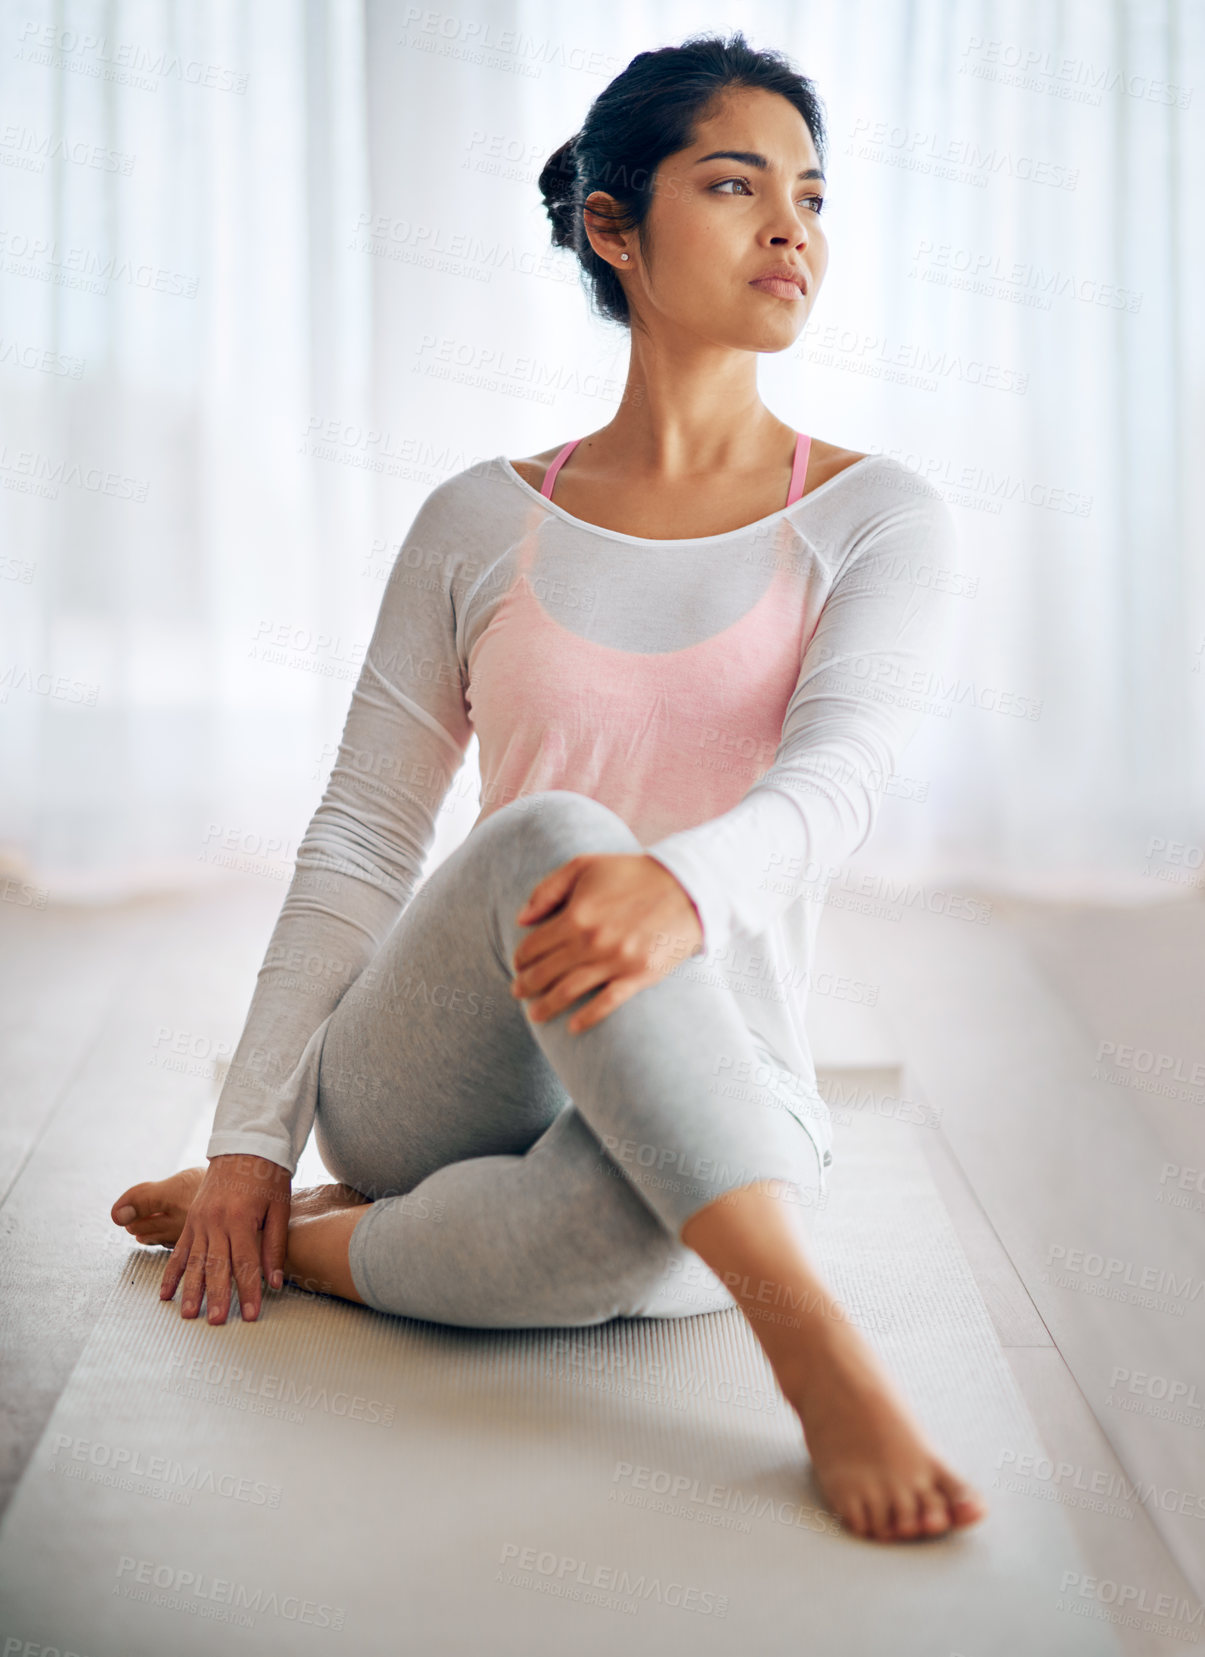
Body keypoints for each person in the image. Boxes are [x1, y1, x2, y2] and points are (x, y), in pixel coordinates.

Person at [111, 30, 987, 1545]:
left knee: (627, 1234)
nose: (793, 227)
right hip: (444, 1077)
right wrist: (254, 1139)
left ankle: (333, 1251)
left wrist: (686, 886)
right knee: (566, 840)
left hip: (732, 1068)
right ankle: (818, 1352)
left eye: (813, 193)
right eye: (734, 183)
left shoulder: (876, 516)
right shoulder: (478, 519)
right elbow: (364, 836)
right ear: (609, 223)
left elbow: (839, 779)